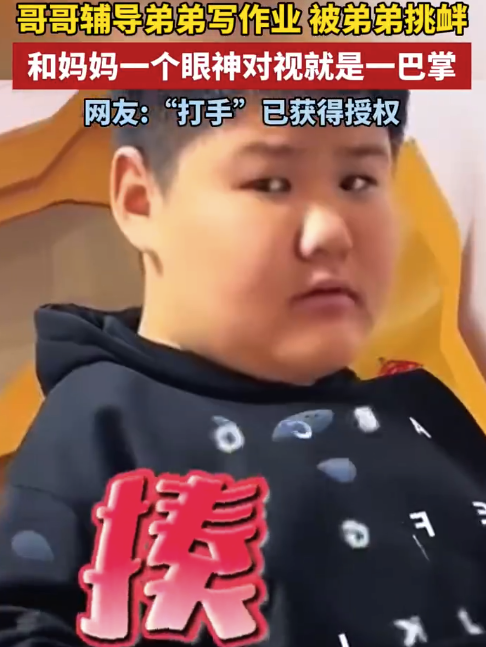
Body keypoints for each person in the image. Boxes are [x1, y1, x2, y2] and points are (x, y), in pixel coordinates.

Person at [0, 89, 486, 647]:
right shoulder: (103, 419)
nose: (332, 231)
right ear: (140, 200)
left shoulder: (425, 411)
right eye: (271, 183)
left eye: (357, 182)